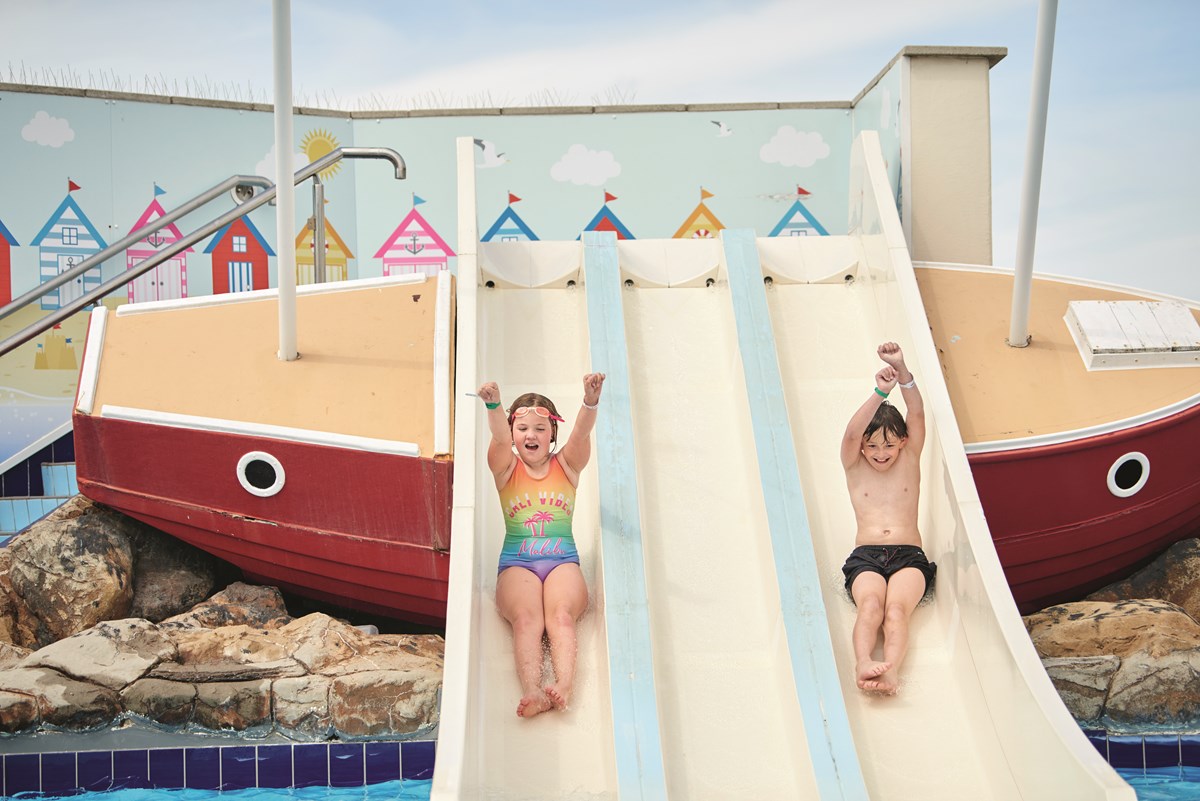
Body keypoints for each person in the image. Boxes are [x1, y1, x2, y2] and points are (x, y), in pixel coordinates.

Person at [477, 373, 606, 718]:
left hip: (562, 560)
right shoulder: (505, 468)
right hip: (517, 564)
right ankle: (533, 690)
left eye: (539, 428)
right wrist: (494, 406)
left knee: (560, 617)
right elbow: (499, 440)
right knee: (528, 620)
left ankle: (564, 685)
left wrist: (589, 401)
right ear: (513, 435)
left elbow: (580, 434)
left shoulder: (566, 465)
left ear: (552, 435)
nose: (530, 435)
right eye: (522, 429)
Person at [839, 342, 936, 695]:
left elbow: (918, 413)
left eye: (889, 445)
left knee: (895, 611)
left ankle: (891, 671)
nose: (881, 454)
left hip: (908, 557)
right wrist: (881, 392)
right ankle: (863, 662)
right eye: (874, 446)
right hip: (866, 556)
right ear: (863, 446)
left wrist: (901, 369)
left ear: (904, 442)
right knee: (870, 607)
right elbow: (852, 433)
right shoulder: (854, 463)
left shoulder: (910, 456)